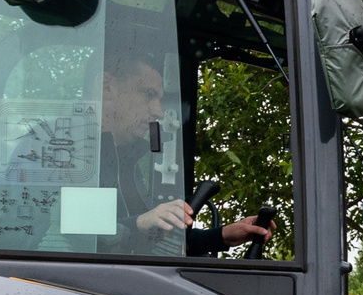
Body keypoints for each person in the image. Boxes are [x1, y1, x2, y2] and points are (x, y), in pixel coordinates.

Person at [100, 55, 274, 255]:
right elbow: (69, 237)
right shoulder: (70, 158)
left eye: (160, 100)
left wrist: (221, 236)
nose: (159, 112)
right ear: (107, 87)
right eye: (149, 94)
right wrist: (139, 223)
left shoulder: (128, 165)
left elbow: (143, 244)